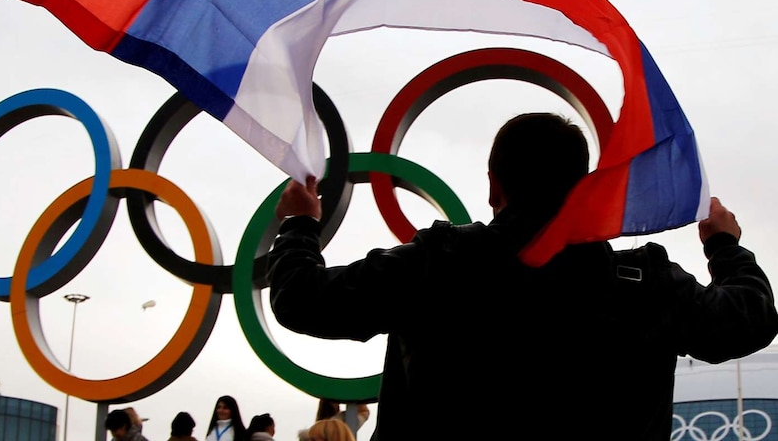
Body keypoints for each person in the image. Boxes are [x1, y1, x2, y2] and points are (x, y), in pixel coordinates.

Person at [267, 112, 778, 441]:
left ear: (495, 184)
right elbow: (750, 320)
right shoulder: (643, 281)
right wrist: (723, 245)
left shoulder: (438, 262)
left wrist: (300, 225)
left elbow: (302, 301)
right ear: (583, 187)